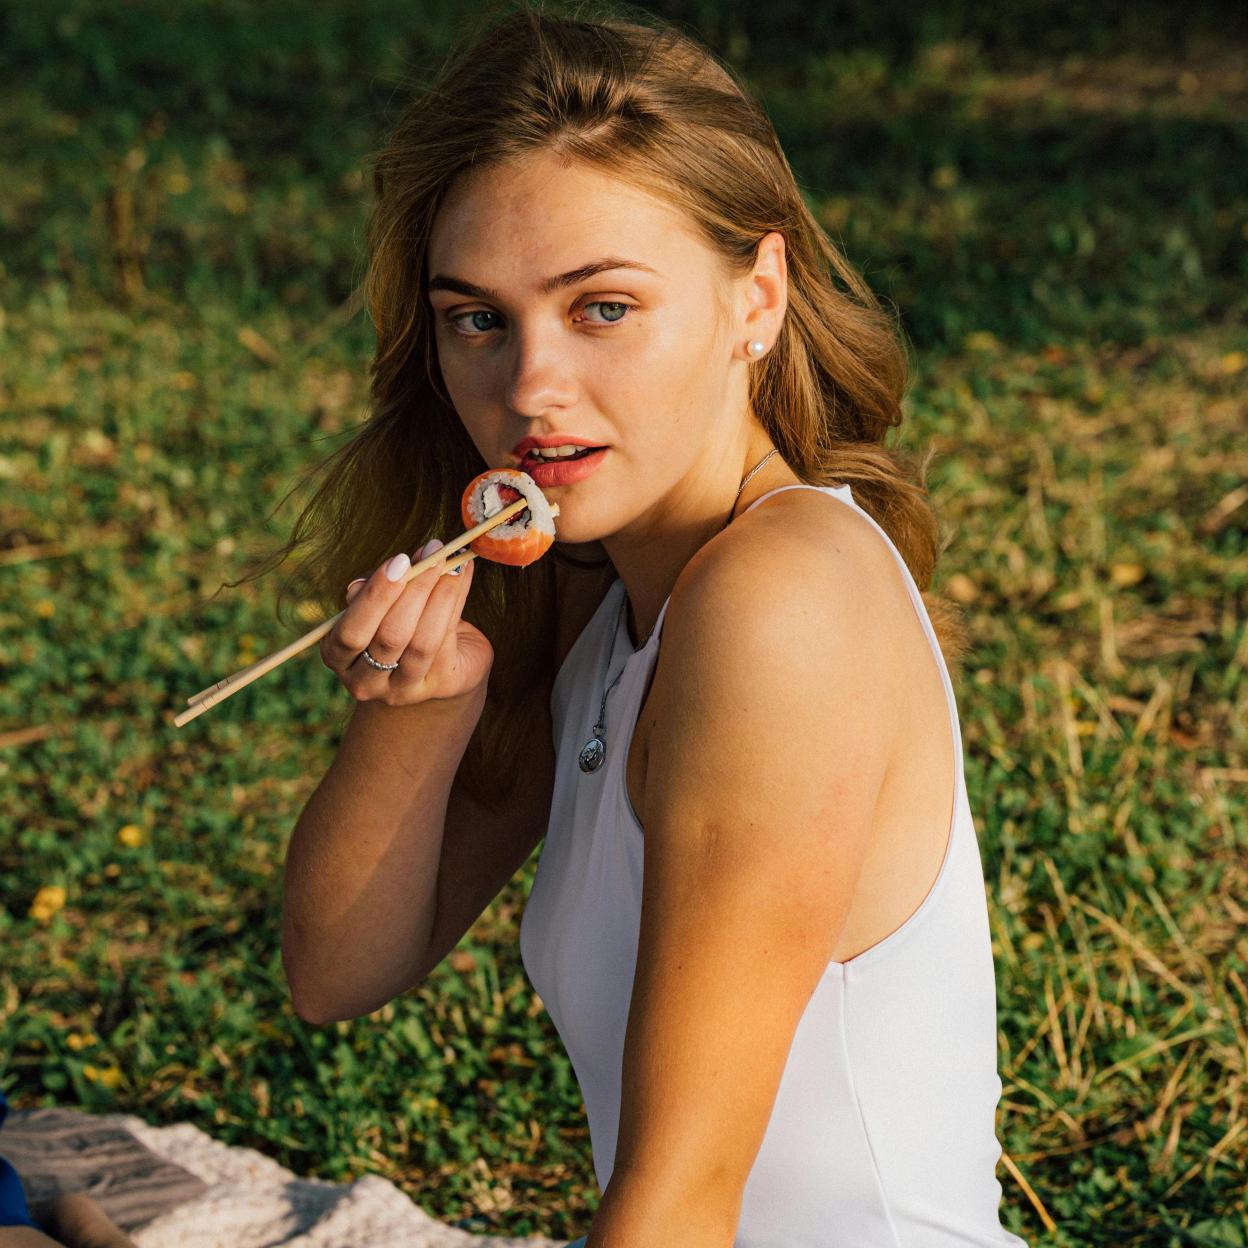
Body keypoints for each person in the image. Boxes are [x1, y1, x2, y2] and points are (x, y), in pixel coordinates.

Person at [271, 3, 1029, 1244]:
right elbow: (336, 974)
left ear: (758, 299)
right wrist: (426, 707)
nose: (528, 387)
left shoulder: (780, 599)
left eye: (603, 307)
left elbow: (683, 1195)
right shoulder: (606, 604)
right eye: (478, 318)